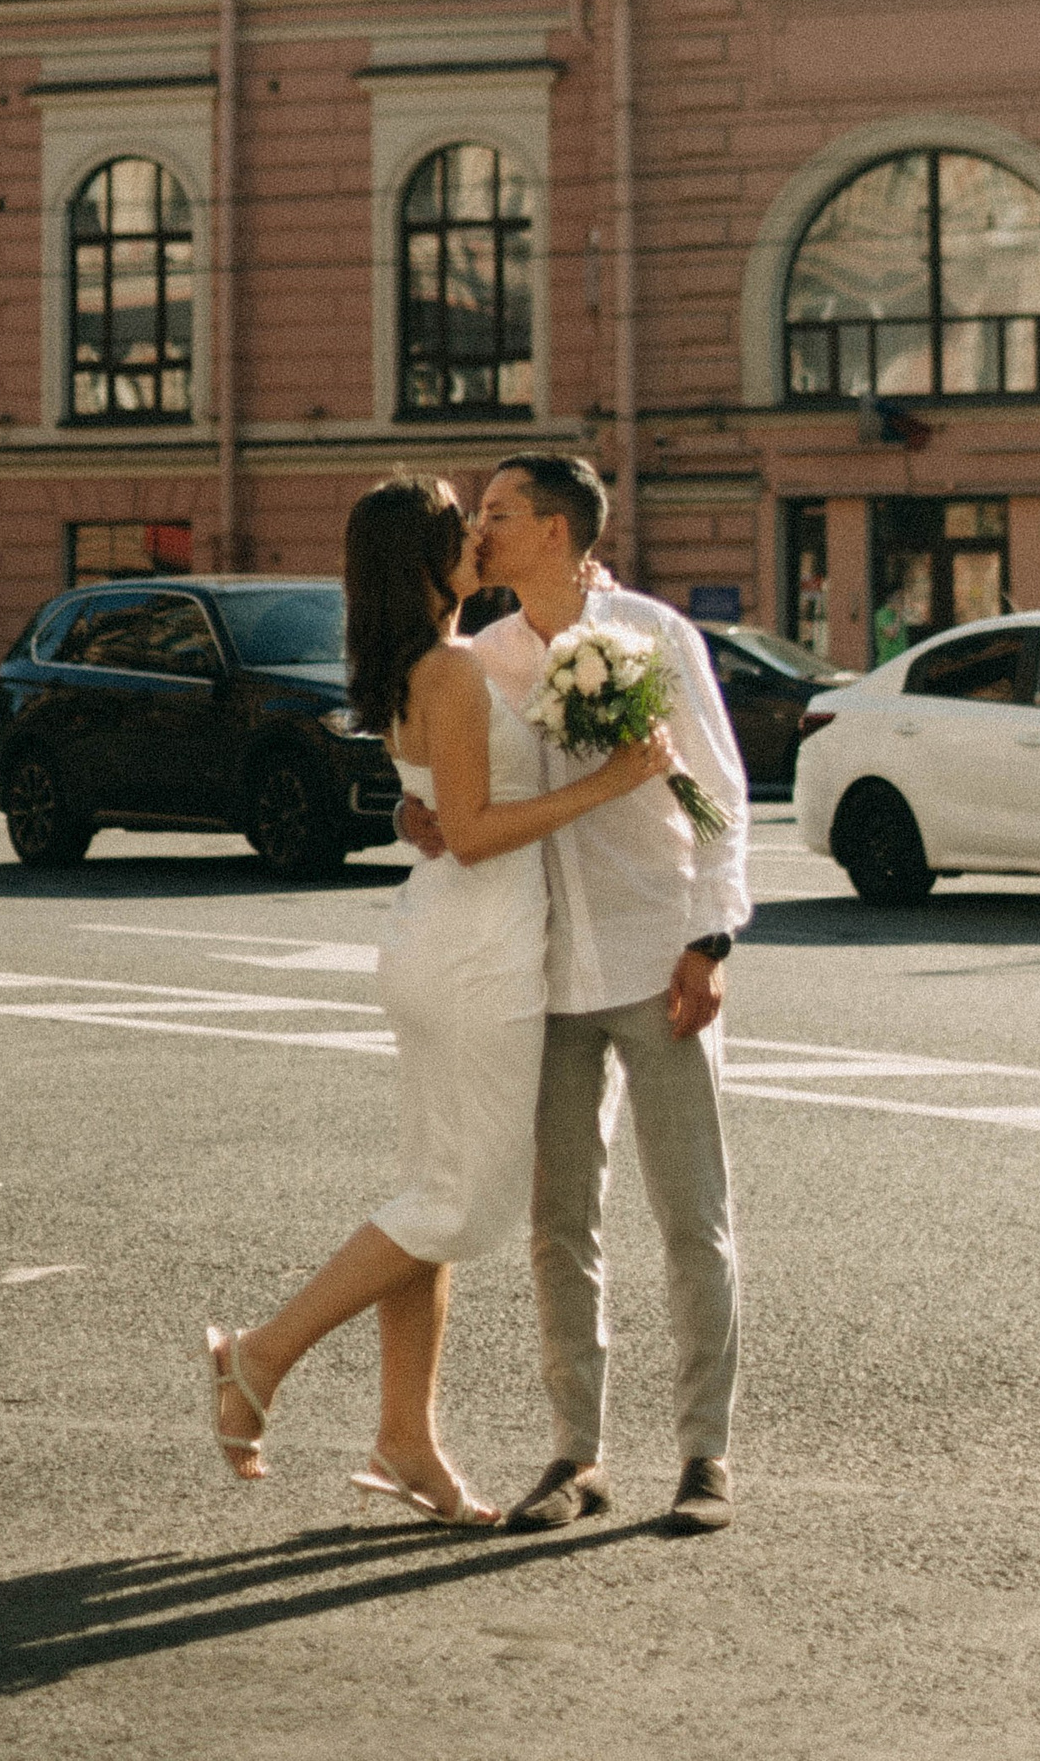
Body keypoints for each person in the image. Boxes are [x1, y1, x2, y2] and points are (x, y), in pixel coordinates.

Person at [203, 474, 672, 1528]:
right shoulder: (452, 669)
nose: (474, 536)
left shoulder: (415, 663)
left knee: (430, 1197)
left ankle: (406, 1438)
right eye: (458, 526)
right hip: (475, 950)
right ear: (423, 558)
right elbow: (471, 828)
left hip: (446, 935)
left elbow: (434, 811)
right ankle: (258, 1357)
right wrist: (612, 781)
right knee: (458, 1204)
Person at [414, 452, 753, 1538]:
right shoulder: (482, 653)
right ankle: (577, 1452)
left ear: (555, 531)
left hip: (656, 953)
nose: (480, 529)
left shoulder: (655, 634)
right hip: (542, 968)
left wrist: (710, 937)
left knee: (690, 1213)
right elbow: (443, 791)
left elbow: (717, 790)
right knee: (559, 1224)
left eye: (500, 514)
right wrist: (413, 818)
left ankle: (704, 1453)